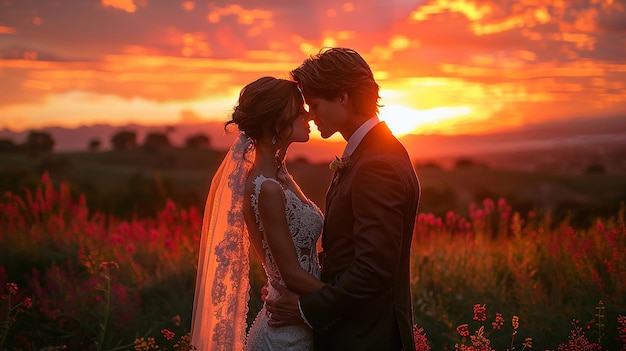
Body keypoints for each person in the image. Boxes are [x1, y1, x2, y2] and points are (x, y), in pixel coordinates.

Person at [265, 47, 421, 350]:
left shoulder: (377, 165)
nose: (310, 114)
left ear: (342, 97)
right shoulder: (376, 152)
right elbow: (348, 251)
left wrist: (304, 308)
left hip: (365, 338)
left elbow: (373, 270)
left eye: (315, 103)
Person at [190, 76, 324, 351]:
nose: (308, 116)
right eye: (299, 112)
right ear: (277, 123)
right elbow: (290, 274)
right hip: (285, 337)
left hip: (298, 319)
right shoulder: (267, 188)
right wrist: (350, 302)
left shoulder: (279, 176)